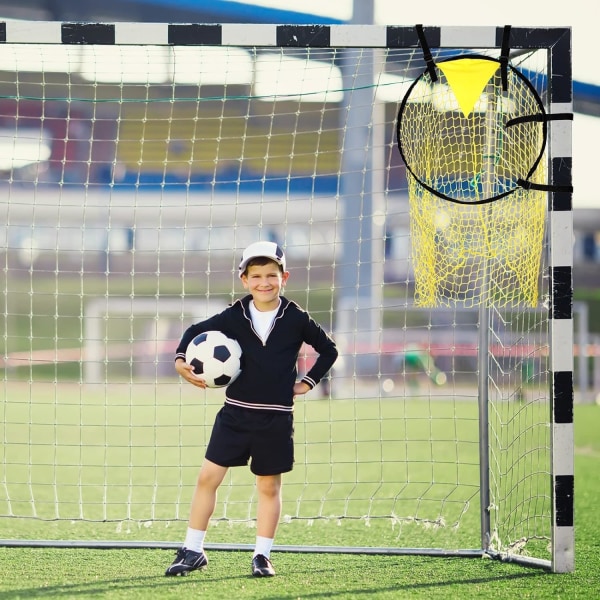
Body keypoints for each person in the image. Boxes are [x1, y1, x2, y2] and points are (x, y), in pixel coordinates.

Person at [165, 241, 338, 578]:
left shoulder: (296, 318)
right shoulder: (234, 315)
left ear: (284, 277)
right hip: (235, 415)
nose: (264, 282)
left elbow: (329, 351)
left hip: (275, 417)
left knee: (268, 487)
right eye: (256, 275)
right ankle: (193, 549)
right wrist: (181, 360)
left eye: (271, 275)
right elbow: (193, 331)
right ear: (244, 279)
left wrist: (308, 382)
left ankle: (262, 555)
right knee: (207, 479)